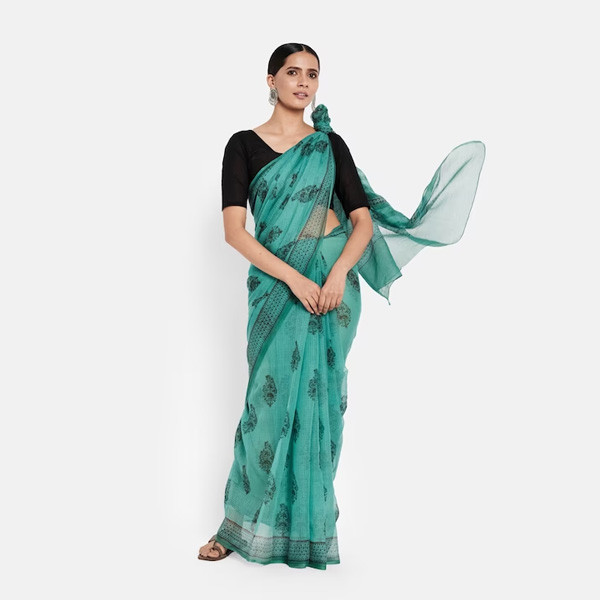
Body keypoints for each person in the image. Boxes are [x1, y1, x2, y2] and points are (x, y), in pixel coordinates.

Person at [198, 42, 486, 570]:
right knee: (265, 404)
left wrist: (334, 277)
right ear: (271, 81)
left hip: (334, 288)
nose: (303, 83)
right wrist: (293, 280)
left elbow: (362, 222)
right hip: (278, 287)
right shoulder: (242, 145)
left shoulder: (329, 145)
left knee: (322, 402)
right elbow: (235, 232)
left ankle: (309, 532)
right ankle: (236, 527)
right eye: (292, 72)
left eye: (312, 74)